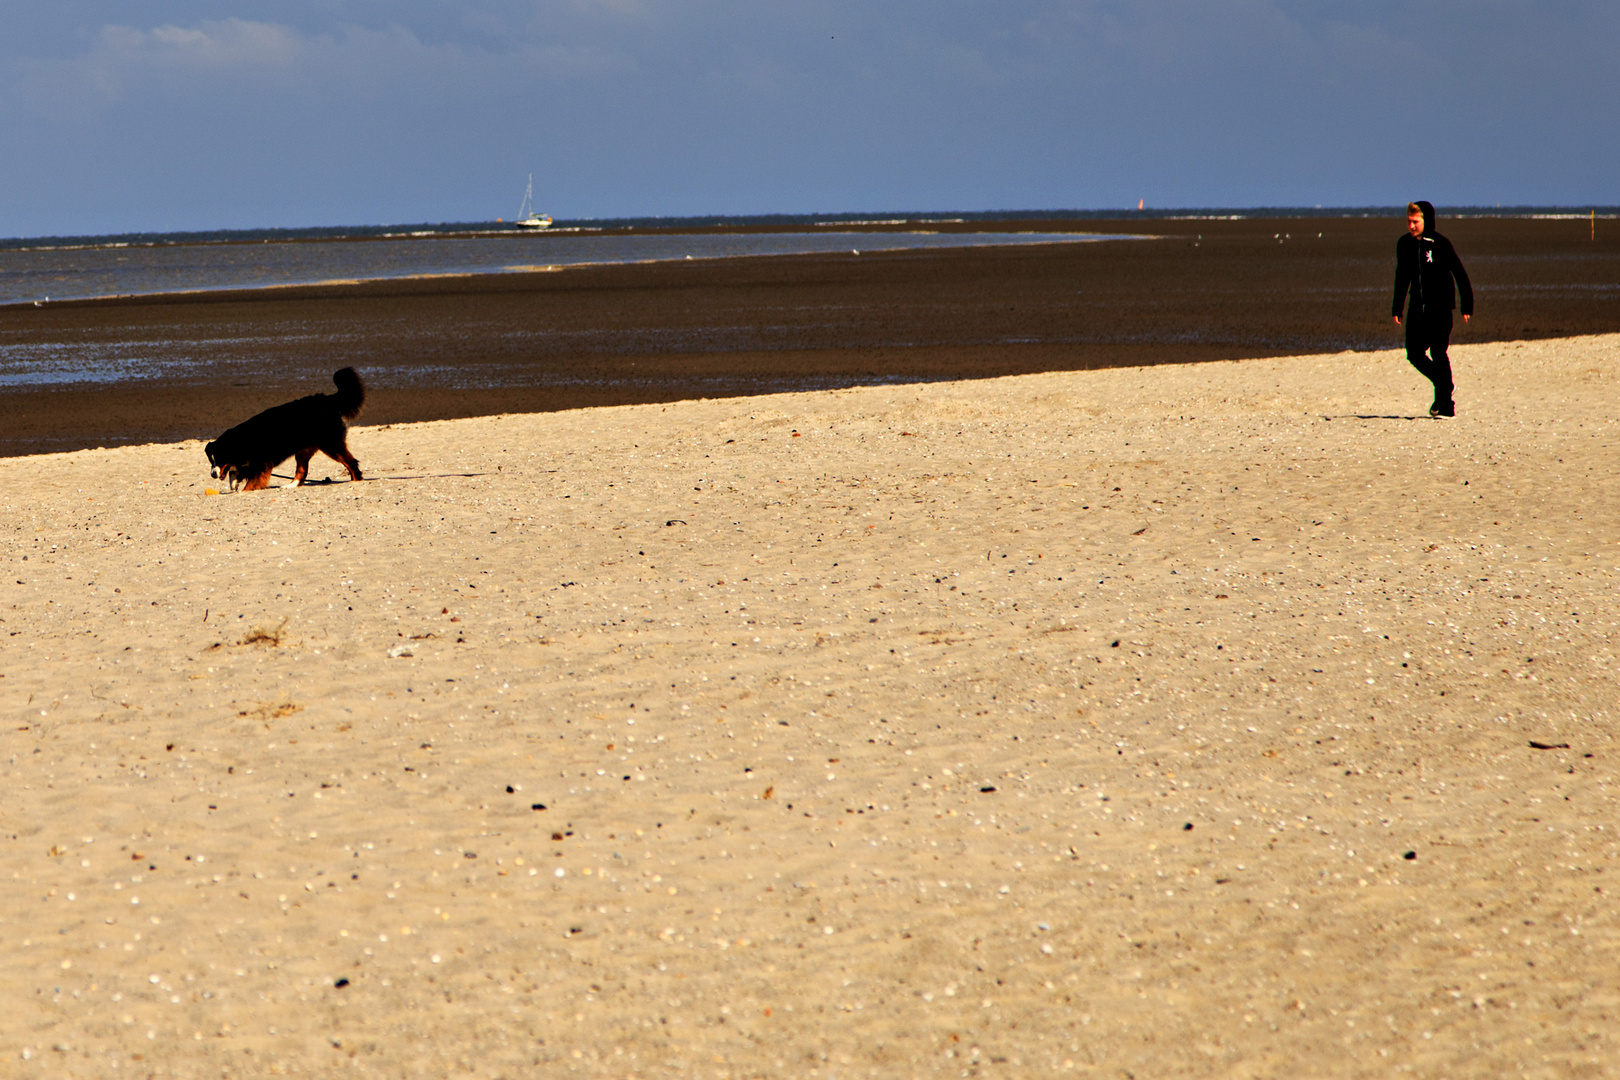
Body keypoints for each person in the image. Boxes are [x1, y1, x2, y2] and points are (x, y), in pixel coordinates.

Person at [1392, 201, 1473, 417]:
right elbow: (1401, 277)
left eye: (1415, 222)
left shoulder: (1439, 243)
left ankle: (1445, 404)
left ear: (1426, 221)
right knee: (1414, 353)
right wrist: (1396, 307)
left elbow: (1459, 273)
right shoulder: (1404, 244)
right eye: (1409, 222)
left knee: (1438, 352)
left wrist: (1467, 304)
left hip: (1441, 308)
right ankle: (1444, 386)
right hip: (1417, 308)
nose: (1411, 226)